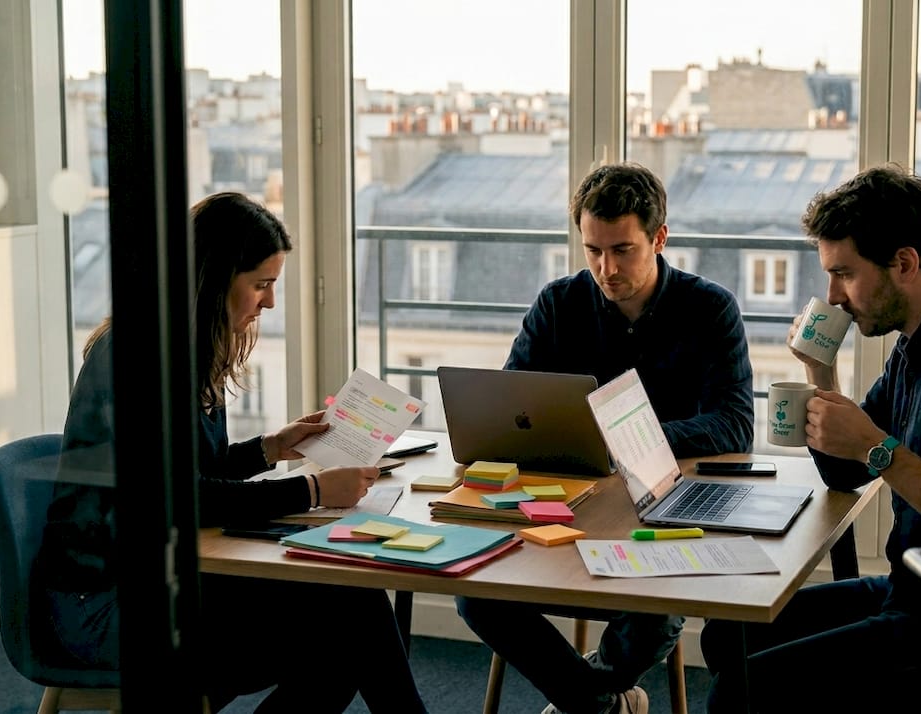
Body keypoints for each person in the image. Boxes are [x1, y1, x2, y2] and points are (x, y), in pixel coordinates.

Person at [38, 192, 428, 713]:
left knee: (352, 612)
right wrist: (312, 489)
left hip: (170, 573)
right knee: (350, 623)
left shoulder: (192, 349)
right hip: (108, 602)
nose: (269, 303)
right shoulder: (138, 358)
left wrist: (272, 447)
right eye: (261, 285)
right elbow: (181, 498)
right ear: (214, 278)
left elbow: (194, 472)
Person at [699, 164, 921, 712]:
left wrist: (876, 447)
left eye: (843, 273)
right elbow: (848, 469)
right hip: (908, 588)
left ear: (905, 263)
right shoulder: (916, 344)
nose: (833, 296)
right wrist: (821, 373)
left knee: (737, 691)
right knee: (726, 635)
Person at [457, 162, 756, 714]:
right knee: (476, 590)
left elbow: (734, 423)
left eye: (622, 250)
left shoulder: (710, 308)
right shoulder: (558, 303)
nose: (605, 267)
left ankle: (587, 697)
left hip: (664, 507)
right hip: (568, 503)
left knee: (654, 609)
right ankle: (600, 704)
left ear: (659, 238)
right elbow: (511, 409)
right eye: (593, 250)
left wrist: (629, 440)